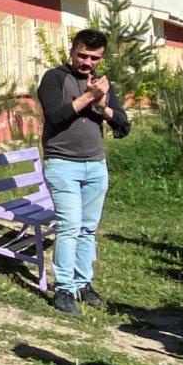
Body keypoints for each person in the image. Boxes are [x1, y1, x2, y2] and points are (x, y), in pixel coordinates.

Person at [37, 28, 131, 315]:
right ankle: (63, 288)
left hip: (95, 165)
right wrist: (88, 97)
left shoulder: (102, 85)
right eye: (83, 55)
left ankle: (83, 283)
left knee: (88, 228)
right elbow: (55, 115)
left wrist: (103, 106)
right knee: (69, 225)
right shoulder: (54, 78)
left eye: (95, 57)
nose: (87, 62)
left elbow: (123, 126)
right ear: (72, 51)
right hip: (62, 163)